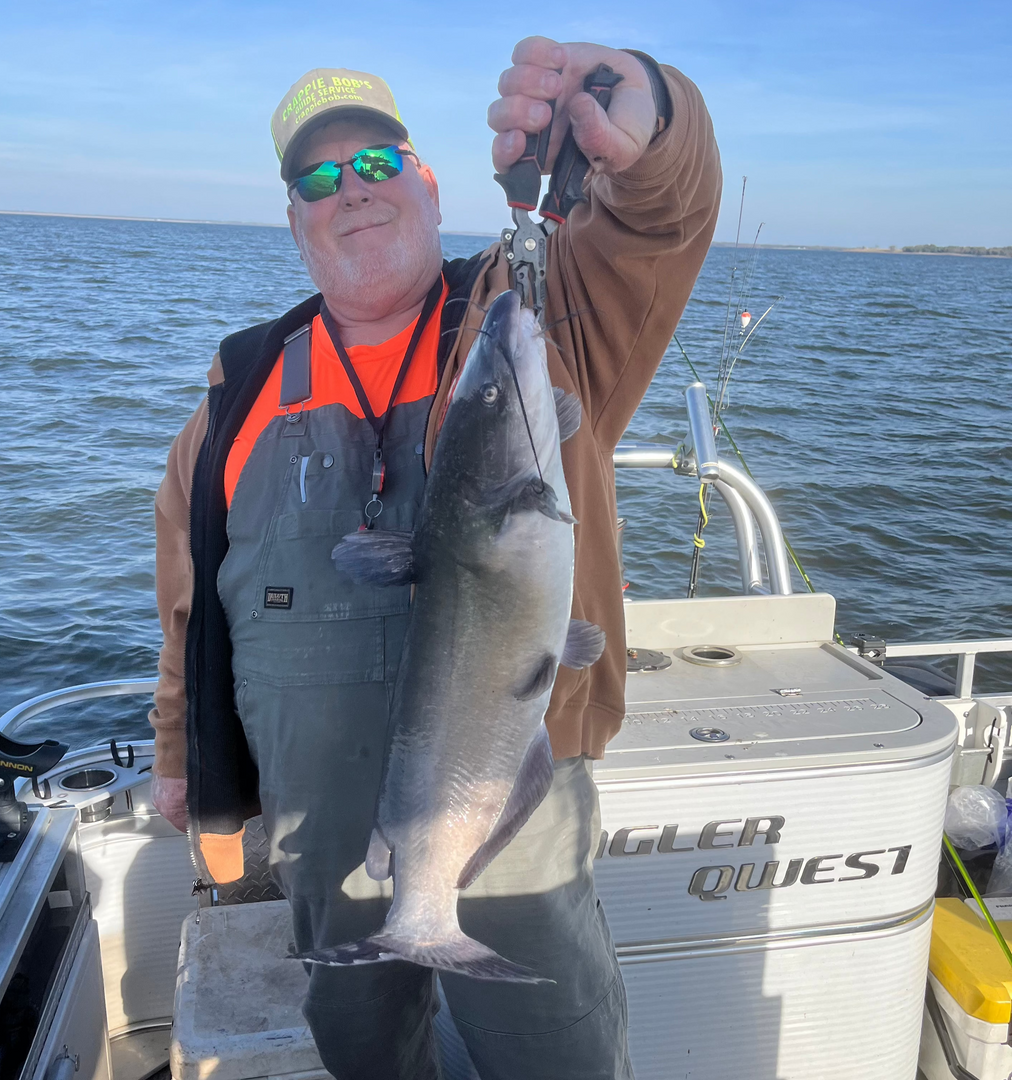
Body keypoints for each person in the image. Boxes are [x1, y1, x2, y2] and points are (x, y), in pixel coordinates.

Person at [149, 35, 720, 1080]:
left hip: (516, 821)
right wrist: (187, 763)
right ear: (293, 220)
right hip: (320, 833)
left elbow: (658, 222)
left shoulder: (534, 318)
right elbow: (191, 609)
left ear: (426, 181)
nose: (351, 190)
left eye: (377, 163)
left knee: (558, 1057)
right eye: (318, 178)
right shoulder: (232, 397)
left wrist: (655, 127)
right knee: (363, 1056)